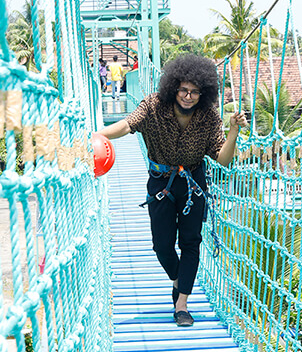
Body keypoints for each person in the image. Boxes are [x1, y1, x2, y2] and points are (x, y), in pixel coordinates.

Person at [98, 54, 248, 327]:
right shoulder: (153, 106)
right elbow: (128, 125)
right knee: (162, 246)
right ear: (173, 87)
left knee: (190, 243)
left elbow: (223, 159)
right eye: (184, 90)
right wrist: (98, 134)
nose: (188, 96)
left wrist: (233, 132)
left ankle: (182, 305)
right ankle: (179, 282)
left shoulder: (209, 117)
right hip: (160, 183)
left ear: (203, 93)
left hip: (193, 184)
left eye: (194, 92)